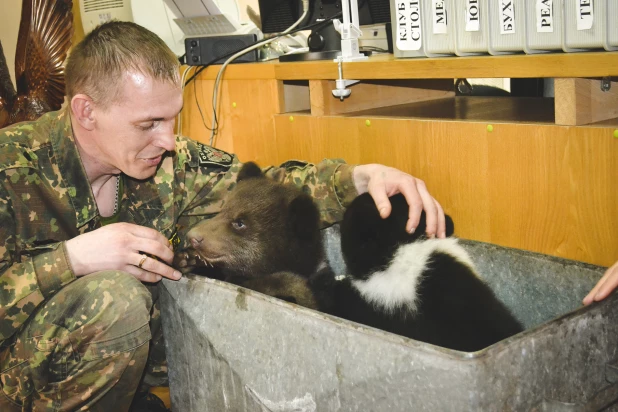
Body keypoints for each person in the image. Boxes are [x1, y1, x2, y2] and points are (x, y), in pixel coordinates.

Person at [0, 21, 446, 411]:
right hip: (15, 379)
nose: (169, 141)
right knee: (114, 298)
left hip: (134, 373)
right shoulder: (10, 171)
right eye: (148, 124)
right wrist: (72, 260)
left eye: (172, 120)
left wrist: (359, 181)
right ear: (85, 111)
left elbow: (264, 194)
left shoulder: (169, 163)